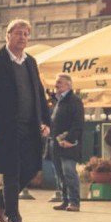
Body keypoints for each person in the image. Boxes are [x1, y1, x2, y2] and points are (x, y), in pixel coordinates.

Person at [0, 19, 49, 222]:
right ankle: (14, 218)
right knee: (12, 172)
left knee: (32, 167)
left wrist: (46, 121)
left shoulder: (30, 63)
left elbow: (39, 94)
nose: (23, 37)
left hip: (30, 126)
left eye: (26, 34)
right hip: (5, 128)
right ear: (7, 35)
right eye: (18, 33)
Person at [49, 73, 84, 213]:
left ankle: (74, 202)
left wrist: (69, 139)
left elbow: (78, 123)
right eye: (56, 82)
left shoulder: (74, 101)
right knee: (60, 175)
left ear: (68, 85)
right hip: (56, 144)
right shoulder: (58, 101)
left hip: (69, 145)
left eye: (59, 83)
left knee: (69, 173)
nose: (56, 85)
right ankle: (65, 200)